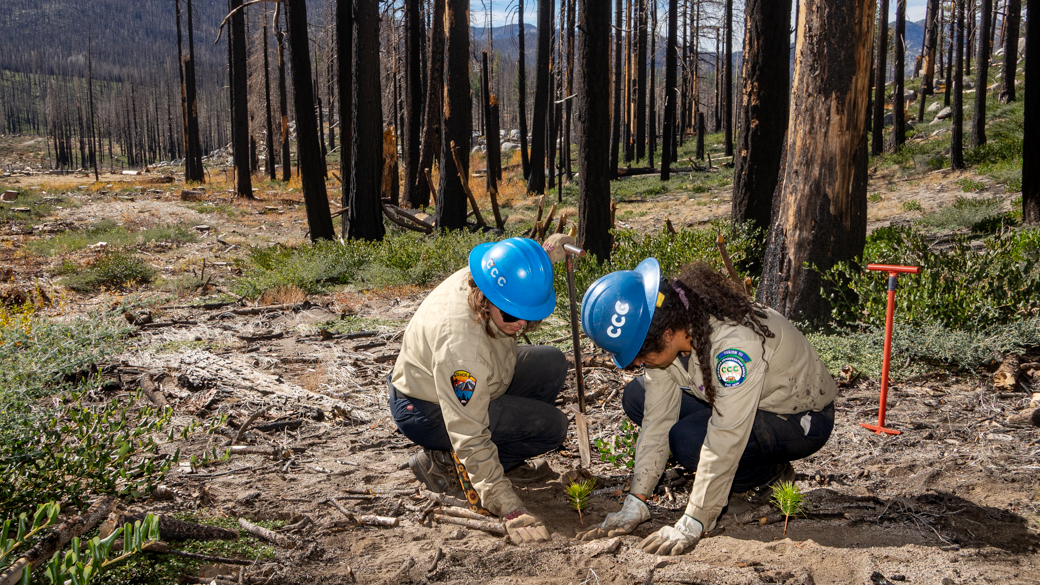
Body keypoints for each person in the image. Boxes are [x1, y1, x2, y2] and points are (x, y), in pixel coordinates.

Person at [575, 259, 837, 555]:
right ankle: (741, 472)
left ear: (667, 334)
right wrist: (637, 500)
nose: (636, 362)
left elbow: (726, 433)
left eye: (639, 353)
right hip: (740, 403)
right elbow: (657, 418)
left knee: (688, 441)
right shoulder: (670, 329)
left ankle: (767, 476)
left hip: (799, 416)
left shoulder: (733, 347)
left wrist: (696, 518)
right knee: (637, 396)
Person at [388, 236, 574, 545]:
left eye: (531, 316)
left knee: (552, 364)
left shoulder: (492, 274)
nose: (522, 325)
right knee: (551, 426)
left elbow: (515, 266)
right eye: (513, 315)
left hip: (482, 375)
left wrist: (543, 256)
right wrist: (508, 506)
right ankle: (445, 464)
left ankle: (501, 461)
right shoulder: (463, 350)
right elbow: (469, 432)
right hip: (425, 408)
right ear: (486, 300)